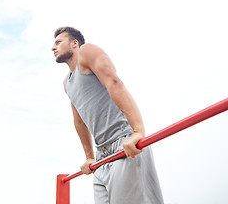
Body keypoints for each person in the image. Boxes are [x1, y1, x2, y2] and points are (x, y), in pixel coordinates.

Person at [52, 26, 164, 204]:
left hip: (124, 143)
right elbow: (79, 121)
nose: (53, 47)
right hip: (102, 156)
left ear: (74, 43)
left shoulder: (87, 52)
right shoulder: (67, 83)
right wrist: (89, 156)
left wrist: (137, 132)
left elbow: (114, 82)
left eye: (58, 42)